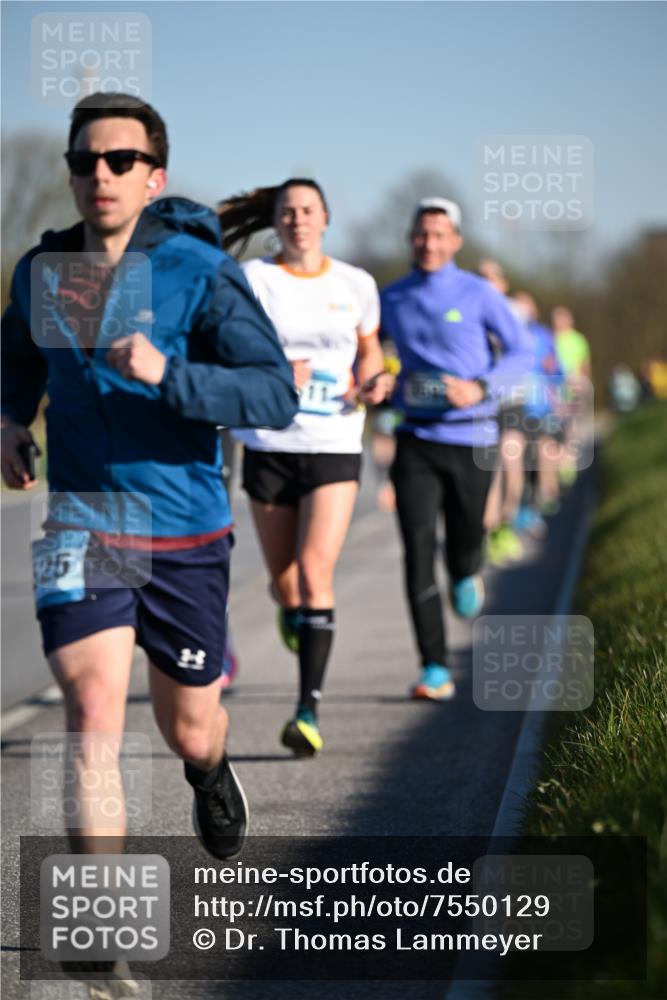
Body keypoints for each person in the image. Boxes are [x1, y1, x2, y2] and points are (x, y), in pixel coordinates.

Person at [0, 94, 298, 868]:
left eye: (120, 160)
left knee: (189, 727)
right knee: (91, 711)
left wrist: (172, 375)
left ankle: (207, 767)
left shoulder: (197, 271)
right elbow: (16, 361)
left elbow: (272, 392)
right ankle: (100, 924)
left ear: (152, 177)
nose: (100, 173)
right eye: (84, 161)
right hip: (83, 525)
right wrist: (7, 417)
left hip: (184, 533)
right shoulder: (43, 271)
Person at [218, 179, 393, 756]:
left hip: (335, 438)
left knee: (317, 573)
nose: (297, 220)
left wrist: (372, 377)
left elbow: (369, 347)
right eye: (287, 212)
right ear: (276, 221)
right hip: (269, 443)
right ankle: (295, 612)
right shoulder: (254, 281)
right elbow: (228, 349)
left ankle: (307, 712)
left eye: (307, 210)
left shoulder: (356, 284)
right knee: (286, 583)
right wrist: (271, 369)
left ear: (326, 218)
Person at [380, 198, 532, 700]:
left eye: (440, 235)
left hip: (471, 437)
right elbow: (369, 353)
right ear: (411, 239)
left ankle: (467, 570)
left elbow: (522, 351)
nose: (430, 243)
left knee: (466, 539)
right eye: (422, 234)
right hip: (416, 438)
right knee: (417, 549)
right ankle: (434, 667)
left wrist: (481, 386)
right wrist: (378, 380)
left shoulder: (479, 292)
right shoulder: (392, 296)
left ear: (456, 241)